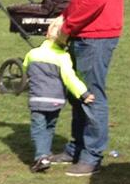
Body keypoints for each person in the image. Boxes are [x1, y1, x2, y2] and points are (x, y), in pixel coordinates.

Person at [52, 0, 130, 177]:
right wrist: (64, 17)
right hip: (82, 30)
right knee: (77, 93)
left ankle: (92, 156)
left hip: (97, 35)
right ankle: (76, 148)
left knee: (91, 95)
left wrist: (68, 26)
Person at [23, 18, 94, 173]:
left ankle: (41, 156)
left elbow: (25, 69)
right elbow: (70, 78)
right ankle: (46, 153)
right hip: (56, 101)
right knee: (49, 126)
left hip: (37, 99)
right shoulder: (63, 57)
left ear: (47, 33)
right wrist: (83, 93)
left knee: (38, 127)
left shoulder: (32, 54)